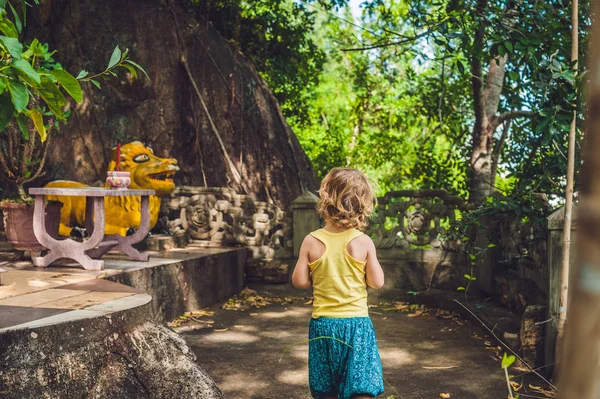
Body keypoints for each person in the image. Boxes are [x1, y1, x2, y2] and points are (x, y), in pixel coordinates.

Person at [292, 168, 385, 399]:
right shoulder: (363, 242)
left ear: (325, 200)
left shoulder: (311, 241)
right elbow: (377, 282)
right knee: (360, 383)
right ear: (362, 205)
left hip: (324, 325)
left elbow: (300, 281)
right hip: (356, 326)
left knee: (327, 386)